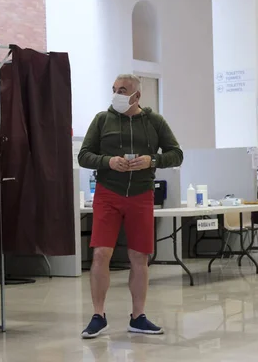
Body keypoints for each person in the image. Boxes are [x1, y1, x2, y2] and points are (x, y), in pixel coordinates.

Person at [78, 74, 183, 338]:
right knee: (101, 253)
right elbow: (83, 156)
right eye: (114, 89)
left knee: (139, 257)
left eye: (122, 90)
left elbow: (176, 154)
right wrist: (107, 161)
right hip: (107, 194)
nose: (116, 94)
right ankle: (98, 316)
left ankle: (138, 317)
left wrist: (152, 160)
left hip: (141, 195)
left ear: (137, 95)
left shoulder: (154, 122)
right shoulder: (102, 120)